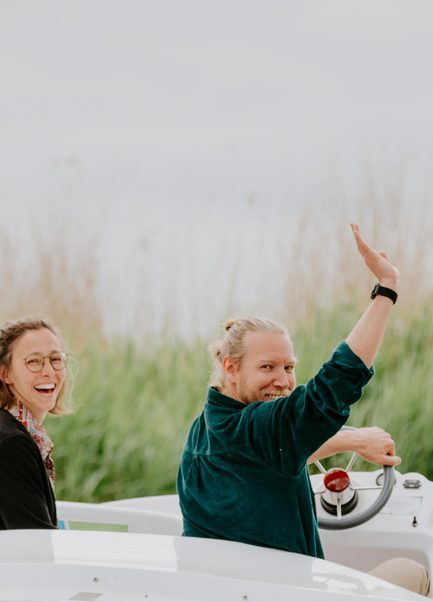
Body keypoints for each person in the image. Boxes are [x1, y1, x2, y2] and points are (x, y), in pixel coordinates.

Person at [178, 223, 417, 578]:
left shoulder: (208, 430)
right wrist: (387, 290)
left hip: (229, 600)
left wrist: (353, 439)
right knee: (412, 571)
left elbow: (266, 459)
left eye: (289, 367)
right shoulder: (257, 427)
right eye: (267, 367)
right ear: (231, 366)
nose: (283, 380)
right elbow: (330, 390)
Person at [0, 316, 71, 534]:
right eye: (34, 361)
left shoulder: (11, 431)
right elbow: (37, 544)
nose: (49, 371)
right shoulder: (10, 444)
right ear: (5, 373)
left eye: (56, 359)